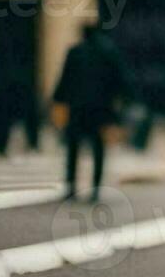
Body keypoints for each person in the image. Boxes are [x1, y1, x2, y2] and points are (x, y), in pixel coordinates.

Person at [52, 24, 131, 201]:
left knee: (73, 148)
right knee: (98, 148)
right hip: (101, 108)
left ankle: (71, 186)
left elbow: (65, 78)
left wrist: (58, 99)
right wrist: (123, 102)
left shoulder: (75, 51)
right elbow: (121, 79)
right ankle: (95, 188)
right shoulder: (108, 52)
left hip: (77, 107)